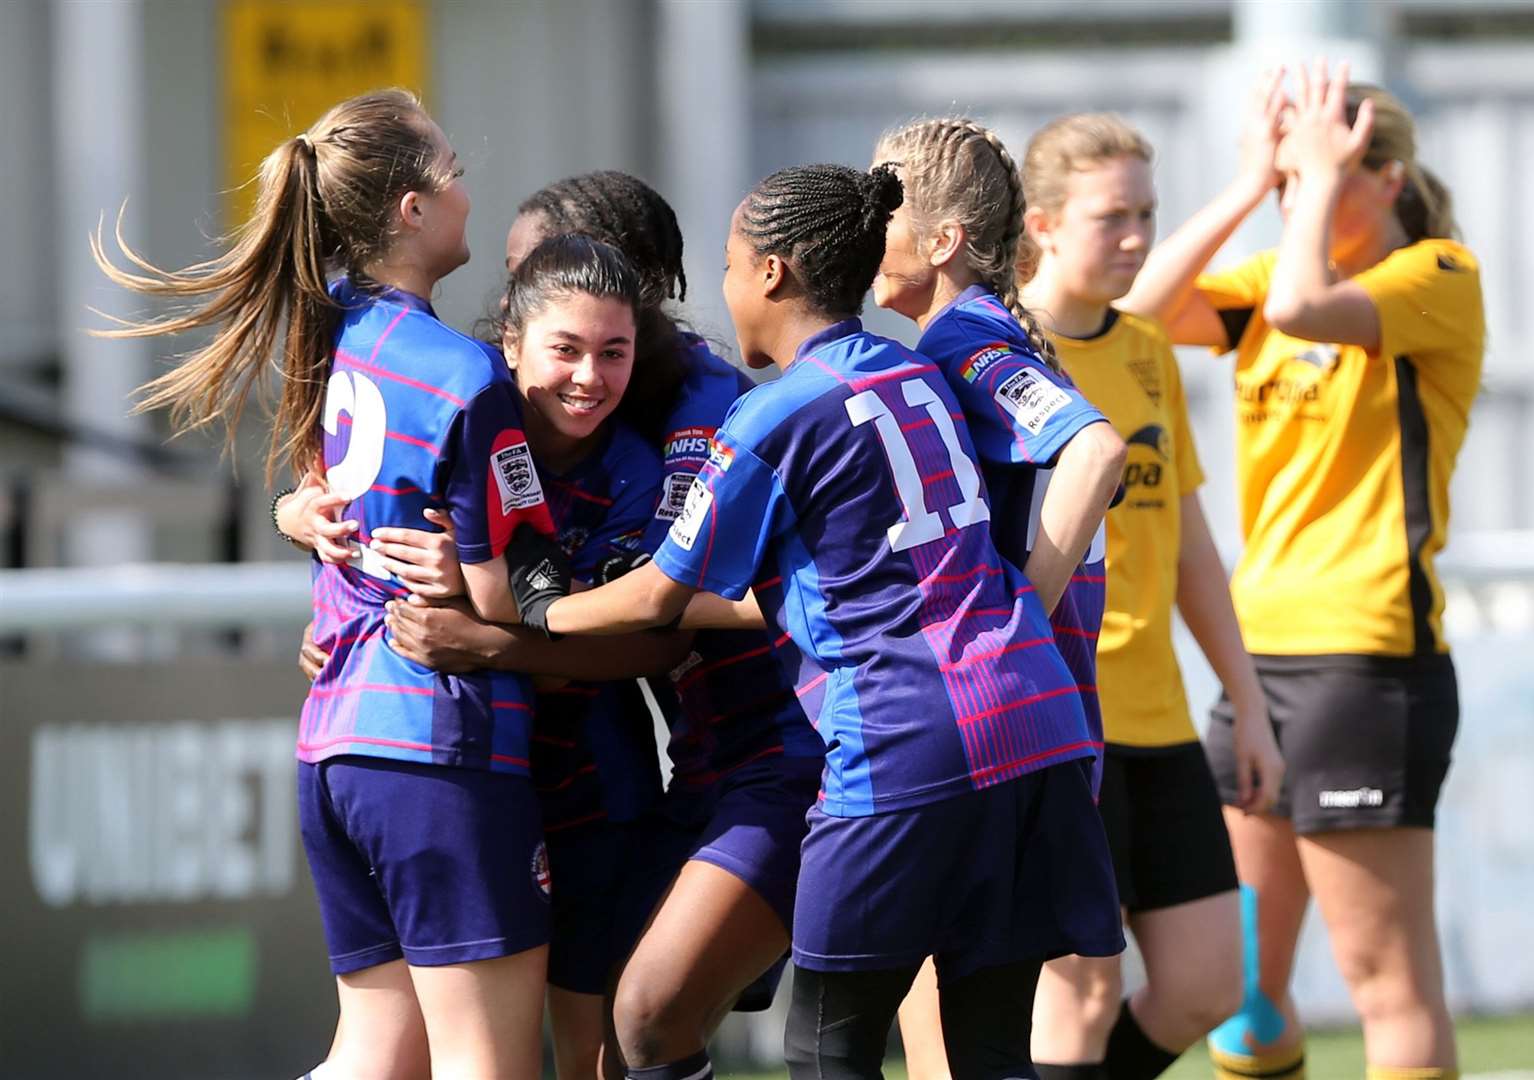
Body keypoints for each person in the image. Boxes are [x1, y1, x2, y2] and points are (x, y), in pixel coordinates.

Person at [507, 162, 1125, 1080]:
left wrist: (540, 610)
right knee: (991, 1050)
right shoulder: (920, 366)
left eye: (727, 263)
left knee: (824, 1050)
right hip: (1038, 727)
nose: (719, 289)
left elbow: (658, 598)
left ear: (768, 274)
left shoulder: (771, 413)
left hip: (902, 741)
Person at [316, 170, 825, 1080]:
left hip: (705, 758)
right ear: (518, 330)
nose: (586, 372)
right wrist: (305, 521)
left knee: (626, 1027)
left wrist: (487, 630)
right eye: (522, 279)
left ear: (625, 294)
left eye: (610, 347)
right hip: (484, 757)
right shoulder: (480, 399)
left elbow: (657, 618)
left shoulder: (683, 423)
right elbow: (366, 491)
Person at [93, 89, 555, 1079]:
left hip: (336, 749)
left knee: (376, 1055)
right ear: (411, 211)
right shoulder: (467, 375)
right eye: (453, 171)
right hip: (440, 749)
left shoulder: (327, 329)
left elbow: (321, 499)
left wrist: (290, 518)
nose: (470, 192)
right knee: (489, 1063)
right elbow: (521, 596)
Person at [1118, 64, 1483, 1080]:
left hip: (1366, 663)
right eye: (1286, 184)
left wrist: (1313, 177)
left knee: (1384, 975)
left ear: (1387, 176)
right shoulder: (1270, 271)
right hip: (1258, 658)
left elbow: (1304, 301)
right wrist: (1247, 182)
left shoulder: (1437, 277)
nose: (1292, 197)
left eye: (1312, 178)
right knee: (1241, 983)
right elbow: (1135, 316)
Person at [1012, 111, 1286, 1080]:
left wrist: (1246, 704)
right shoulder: (997, 356)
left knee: (1211, 984)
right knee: (1078, 988)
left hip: (1162, 721)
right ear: (1040, 224)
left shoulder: (1146, 350)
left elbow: (1190, 547)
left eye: (1146, 214)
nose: (1135, 237)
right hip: (1056, 721)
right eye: (1111, 216)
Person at [861, 117, 1128, 1079]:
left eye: (881, 204)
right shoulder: (972, 333)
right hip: (1021, 734)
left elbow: (1093, 450)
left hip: (993, 732)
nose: (862, 222)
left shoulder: (965, 337)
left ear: (940, 241)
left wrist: (1016, 612)